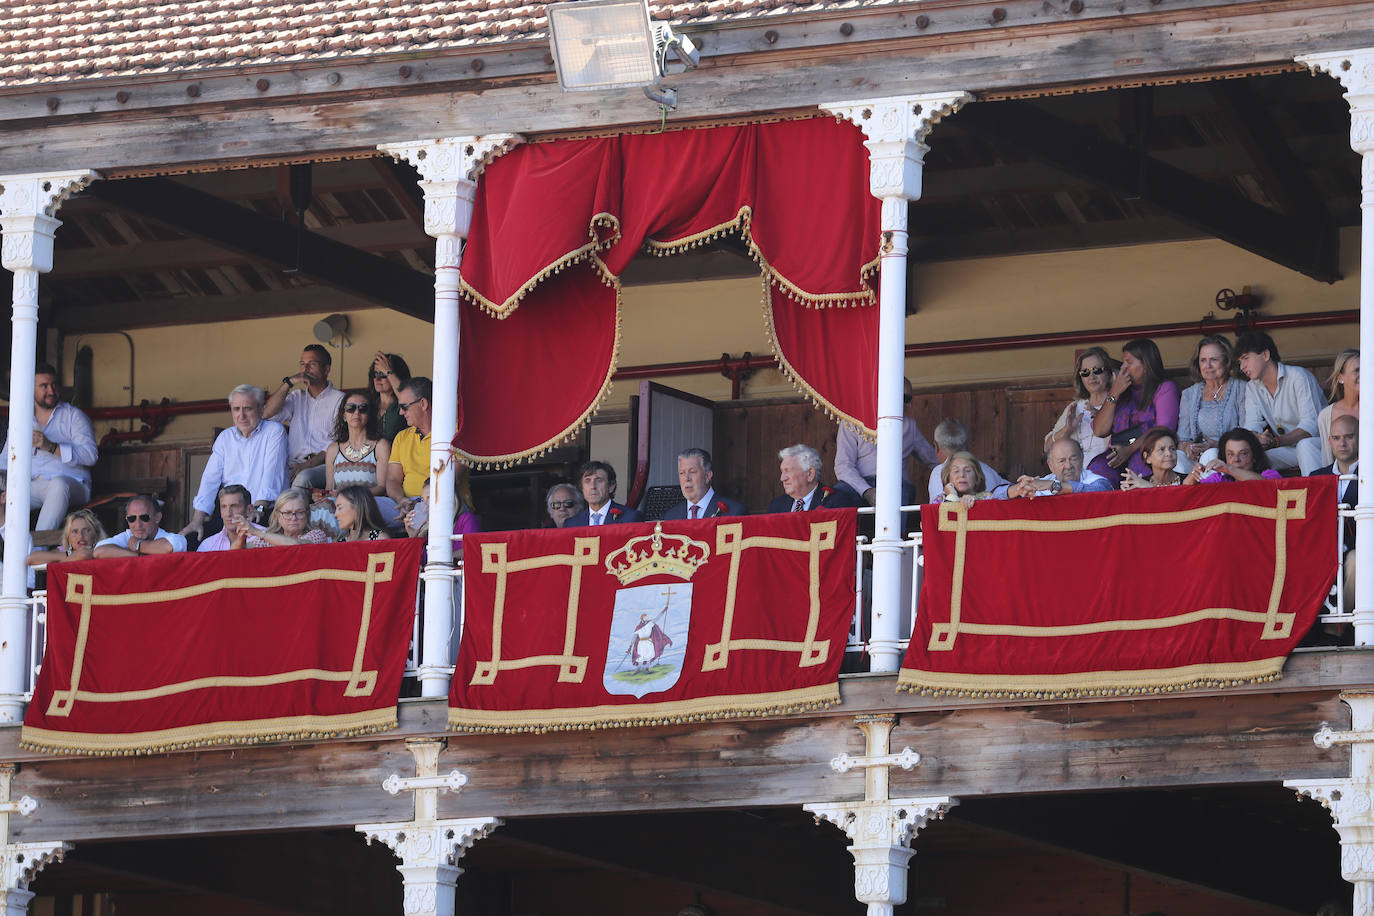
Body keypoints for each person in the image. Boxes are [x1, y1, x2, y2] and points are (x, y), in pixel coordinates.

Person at [181, 384, 289, 541]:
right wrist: (197, 520)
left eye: (247, 408)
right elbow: (209, 479)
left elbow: (271, 476)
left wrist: (258, 509)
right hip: (230, 513)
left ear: (260, 409)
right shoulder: (225, 437)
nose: (242, 415)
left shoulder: (274, 431)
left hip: (265, 511)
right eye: (236, 409)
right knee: (191, 540)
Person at [0, 363, 98, 531]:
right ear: (31, 388)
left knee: (58, 485)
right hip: (35, 485)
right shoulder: (21, 419)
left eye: (54, 385)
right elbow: (5, 459)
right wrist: (4, 488)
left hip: (73, 484)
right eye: (44, 386)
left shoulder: (74, 416)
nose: (51, 391)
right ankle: (11, 552)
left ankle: (39, 550)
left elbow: (91, 456)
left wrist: (51, 447)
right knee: (6, 497)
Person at [834, 377, 937, 506]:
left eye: (910, 400)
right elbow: (843, 466)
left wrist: (957, 466)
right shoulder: (852, 422)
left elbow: (933, 460)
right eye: (905, 399)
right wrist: (867, 491)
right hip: (858, 485)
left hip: (896, 484)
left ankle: (898, 527)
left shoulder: (910, 426)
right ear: (885, 395)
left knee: (899, 493)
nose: (909, 405)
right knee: (837, 496)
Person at [1091, 337, 1180, 487]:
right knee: (1097, 470)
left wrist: (1130, 449)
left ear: (1146, 364)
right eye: (1124, 362)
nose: (1124, 367)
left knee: (1139, 469)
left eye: (1129, 362)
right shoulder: (1121, 390)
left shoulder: (1164, 388)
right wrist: (1114, 392)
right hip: (1117, 454)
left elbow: (1164, 429)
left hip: (1148, 452)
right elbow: (1099, 430)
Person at [1235, 330, 1325, 473]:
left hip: (1319, 445)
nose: (1242, 367)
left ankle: (1315, 495)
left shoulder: (1299, 377)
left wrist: (1277, 441)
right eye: (1240, 362)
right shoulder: (1252, 387)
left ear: (1265, 355)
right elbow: (1252, 426)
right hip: (1287, 449)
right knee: (1251, 458)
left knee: (1305, 446)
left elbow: (1312, 426)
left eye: (1246, 358)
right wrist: (1257, 438)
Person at [264, 343, 346, 489]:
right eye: (302, 364)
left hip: (324, 465)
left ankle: (294, 512)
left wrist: (305, 466)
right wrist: (288, 383)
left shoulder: (339, 399)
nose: (305, 369)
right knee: (264, 474)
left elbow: (337, 443)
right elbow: (267, 414)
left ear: (326, 369)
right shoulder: (297, 397)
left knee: (303, 478)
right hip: (293, 462)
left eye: (312, 364)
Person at [322, 391, 396, 530]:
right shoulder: (333, 449)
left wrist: (353, 497)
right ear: (344, 415)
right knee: (320, 508)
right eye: (351, 408)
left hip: (369, 504)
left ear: (370, 415)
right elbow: (330, 488)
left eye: (363, 408)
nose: (356, 412)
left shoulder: (380, 445)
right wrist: (323, 495)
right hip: (339, 506)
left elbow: (382, 487)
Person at [1177, 335, 1246, 473]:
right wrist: (1189, 448)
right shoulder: (1189, 394)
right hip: (1197, 458)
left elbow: (1247, 434)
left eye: (1214, 360)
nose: (1207, 366)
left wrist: (1217, 445)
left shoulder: (1242, 389)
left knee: (1211, 455)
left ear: (1227, 361)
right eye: (1203, 360)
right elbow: (1182, 438)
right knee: (1175, 459)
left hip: (1231, 456)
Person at [1313, 414, 1358, 619]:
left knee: (1355, 561)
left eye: (1349, 437)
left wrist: (1347, 546)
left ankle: (1345, 628)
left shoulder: (1371, 474)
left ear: (1360, 438)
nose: (1342, 443)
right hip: (1322, 548)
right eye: (1337, 438)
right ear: (1329, 441)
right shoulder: (1316, 477)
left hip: (1358, 549)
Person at [1044, 347, 1115, 471]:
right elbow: (1047, 447)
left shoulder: (1118, 404)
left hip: (1108, 473)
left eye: (1097, 370)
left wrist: (1101, 416)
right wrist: (1066, 430)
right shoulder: (1075, 407)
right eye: (1085, 372)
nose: (1091, 376)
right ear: (1080, 378)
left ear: (1108, 373)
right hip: (1074, 475)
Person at [1298, 348, 1359, 474]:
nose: (1363, 374)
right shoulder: (1326, 415)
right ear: (1340, 378)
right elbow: (1328, 459)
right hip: (1341, 479)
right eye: (1357, 370)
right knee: (1306, 445)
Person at [387, 377, 444, 510]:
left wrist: (419, 506)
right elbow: (392, 480)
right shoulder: (402, 437)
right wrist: (402, 501)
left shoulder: (453, 433)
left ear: (423, 404)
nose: (401, 412)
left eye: (404, 407)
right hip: (405, 502)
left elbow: (453, 479)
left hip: (440, 501)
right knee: (357, 508)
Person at [926, 419, 1009, 501]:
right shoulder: (988, 471)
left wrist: (952, 496)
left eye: (968, 471)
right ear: (967, 445)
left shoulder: (938, 472)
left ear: (936, 447)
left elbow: (939, 511)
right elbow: (1013, 492)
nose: (962, 475)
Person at [999, 438, 1111, 498]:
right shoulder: (1041, 483)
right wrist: (1019, 489)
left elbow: (1103, 490)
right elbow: (995, 495)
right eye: (1062, 461)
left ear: (1082, 459)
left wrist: (1054, 486)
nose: (1068, 466)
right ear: (1051, 466)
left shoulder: (1095, 481)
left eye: (1073, 459)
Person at [767, 444, 863, 512]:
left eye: (788, 471)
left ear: (810, 474)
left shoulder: (836, 502)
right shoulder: (776, 506)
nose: (782, 478)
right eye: (782, 471)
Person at [661, 448, 746, 519]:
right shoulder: (670, 517)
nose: (687, 479)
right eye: (682, 473)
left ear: (708, 476)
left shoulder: (735, 512)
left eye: (692, 472)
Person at [232, 488, 331, 548]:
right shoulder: (267, 540)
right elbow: (235, 555)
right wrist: (242, 538)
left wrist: (256, 532)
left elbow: (297, 546)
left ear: (307, 514)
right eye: (287, 513)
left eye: (299, 512)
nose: (293, 518)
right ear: (278, 516)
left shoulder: (317, 535)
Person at [94, 495, 187, 557]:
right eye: (132, 518)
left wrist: (137, 545)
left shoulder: (172, 538)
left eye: (144, 517)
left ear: (157, 518)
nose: (138, 524)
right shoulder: (127, 536)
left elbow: (170, 546)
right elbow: (99, 551)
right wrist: (138, 555)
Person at [1185, 428, 1282, 484]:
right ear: (1224, 457)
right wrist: (1192, 477)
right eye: (1230, 454)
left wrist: (1229, 469)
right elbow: (1185, 493)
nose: (1236, 459)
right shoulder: (1219, 480)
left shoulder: (1270, 475)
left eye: (1243, 453)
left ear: (1254, 456)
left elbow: (1266, 485)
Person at [564, 460, 644, 527]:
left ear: (611, 486)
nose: (593, 486)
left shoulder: (631, 518)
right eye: (587, 481)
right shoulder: (571, 524)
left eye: (599, 480)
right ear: (582, 488)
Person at [26, 508, 105, 566]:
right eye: (75, 531)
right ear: (68, 537)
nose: (80, 536)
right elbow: (32, 558)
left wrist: (60, 560)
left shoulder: (103, 549)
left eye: (86, 530)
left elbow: (83, 555)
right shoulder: (65, 550)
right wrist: (73, 555)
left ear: (95, 534)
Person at [195, 485, 253, 552]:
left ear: (249, 510)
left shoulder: (264, 540)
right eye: (224, 507)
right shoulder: (208, 545)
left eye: (234, 506)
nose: (228, 514)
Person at [370, 351, 412, 443]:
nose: (377, 379)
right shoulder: (368, 406)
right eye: (375, 374)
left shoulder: (405, 405)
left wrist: (388, 371)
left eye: (383, 374)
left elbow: (407, 398)